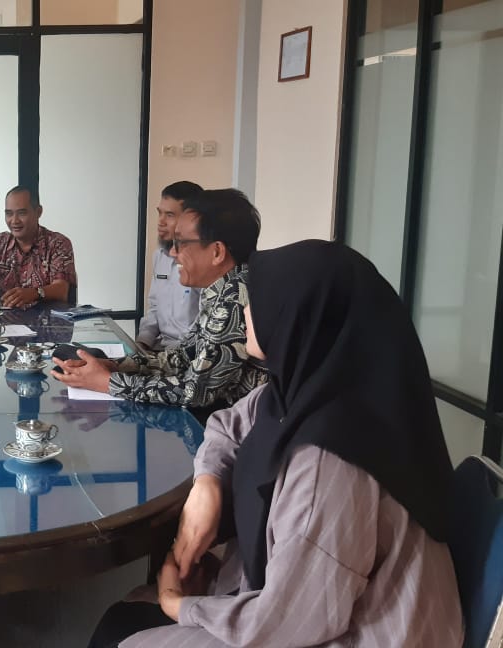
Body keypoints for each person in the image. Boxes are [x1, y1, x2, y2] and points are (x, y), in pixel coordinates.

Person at [87, 240, 463, 648]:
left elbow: (291, 621)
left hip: (357, 631)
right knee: (121, 620)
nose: (246, 311)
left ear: (300, 317)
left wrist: (180, 606)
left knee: (125, 635)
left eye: (258, 301)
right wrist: (207, 483)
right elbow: (228, 424)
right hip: (304, 606)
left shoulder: (330, 458)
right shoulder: (308, 392)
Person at [53, 189, 267, 415]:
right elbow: (183, 357)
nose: (173, 252)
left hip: (236, 423)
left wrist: (107, 383)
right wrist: (117, 366)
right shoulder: (220, 288)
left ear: (217, 252)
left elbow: (194, 391)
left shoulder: (235, 296)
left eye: (181, 243)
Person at [0, 185, 77, 308]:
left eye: (22, 213)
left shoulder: (58, 243)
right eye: (9, 214)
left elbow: (62, 290)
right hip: (6, 319)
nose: (14, 221)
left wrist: (35, 293)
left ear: (38, 212)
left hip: (48, 318)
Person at [136, 181, 204, 351]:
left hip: (186, 352)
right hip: (159, 347)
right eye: (160, 213)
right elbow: (155, 307)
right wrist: (142, 343)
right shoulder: (160, 256)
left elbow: (203, 329)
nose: (161, 222)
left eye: (170, 215)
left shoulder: (203, 263)